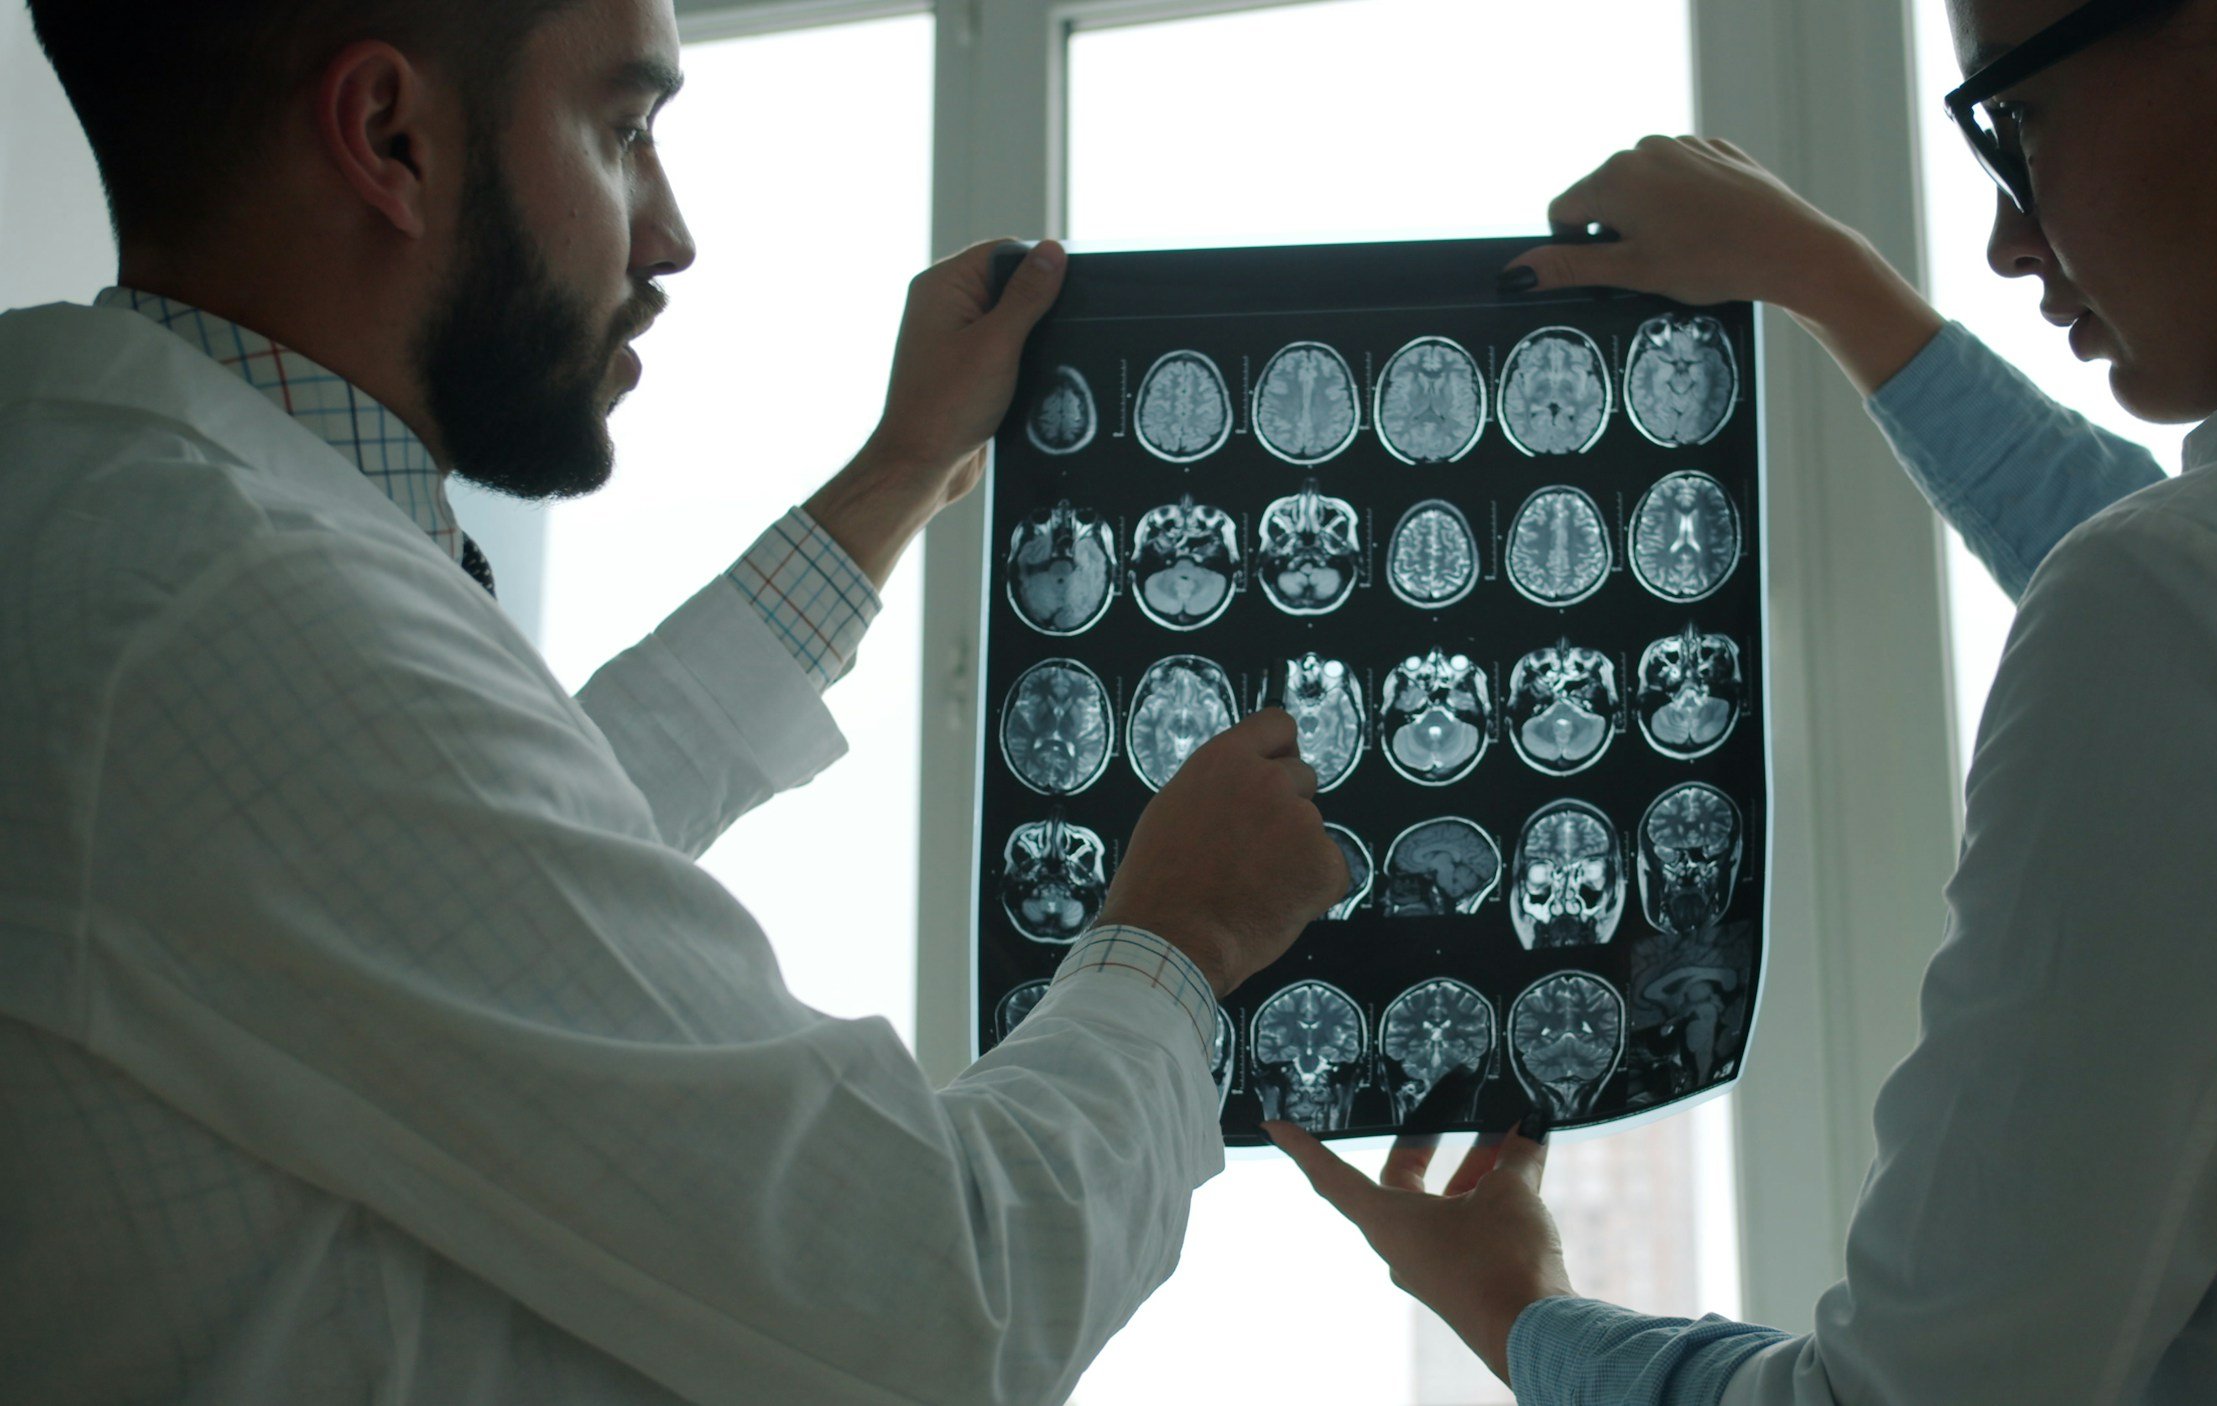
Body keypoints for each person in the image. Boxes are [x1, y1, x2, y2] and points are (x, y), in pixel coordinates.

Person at [0, 0, 1346, 1401]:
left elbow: (489, 858)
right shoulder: (226, 607)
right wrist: (1177, 937)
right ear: (389, 137)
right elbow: (944, 1294)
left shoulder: (127, 530)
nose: (671, 233)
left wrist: (897, 478)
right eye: (626, 131)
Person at [1272, 0, 2217, 1400]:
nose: (2005, 240)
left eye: (2017, 115)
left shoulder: (2210, 615)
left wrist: (1514, 1308)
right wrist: (1827, 280)